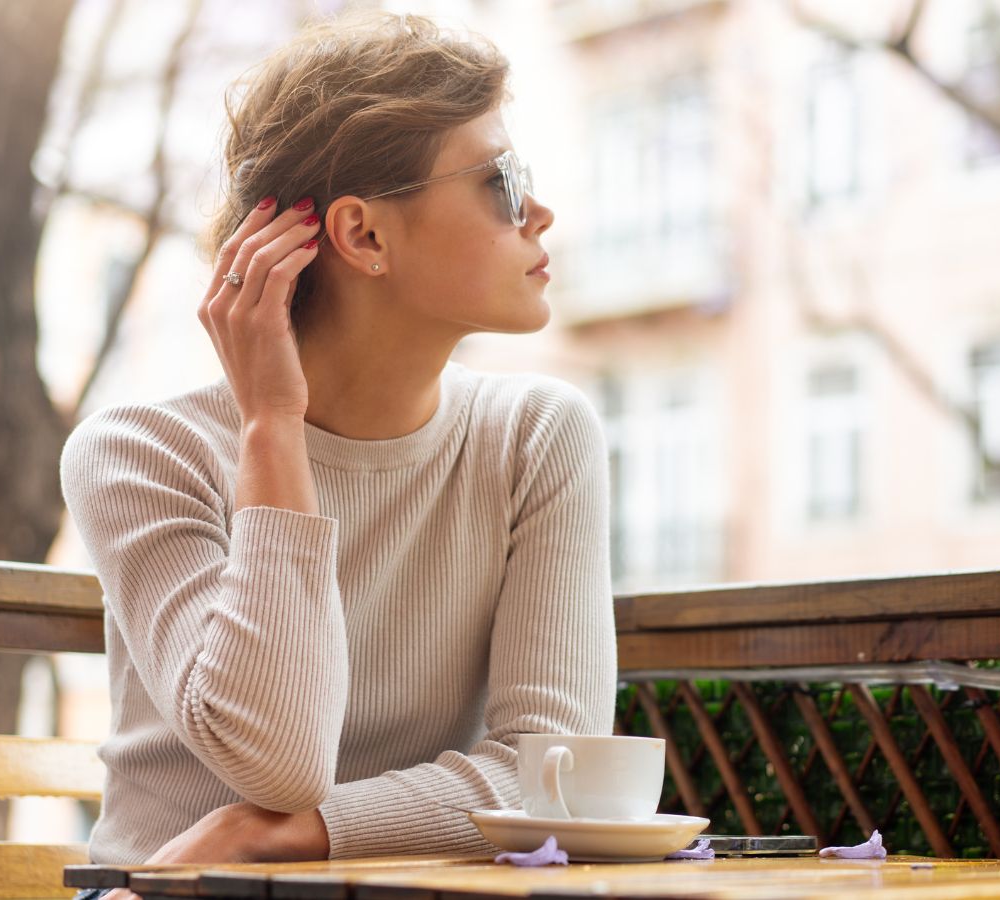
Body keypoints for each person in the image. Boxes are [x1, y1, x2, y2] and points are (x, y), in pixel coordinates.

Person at [60, 11, 615, 896]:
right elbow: (277, 761)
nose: (540, 213)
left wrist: (293, 836)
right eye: (503, 183)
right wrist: (273, 426)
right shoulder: (141, 453)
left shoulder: (538, 436)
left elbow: (554, 776)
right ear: (362, 236)